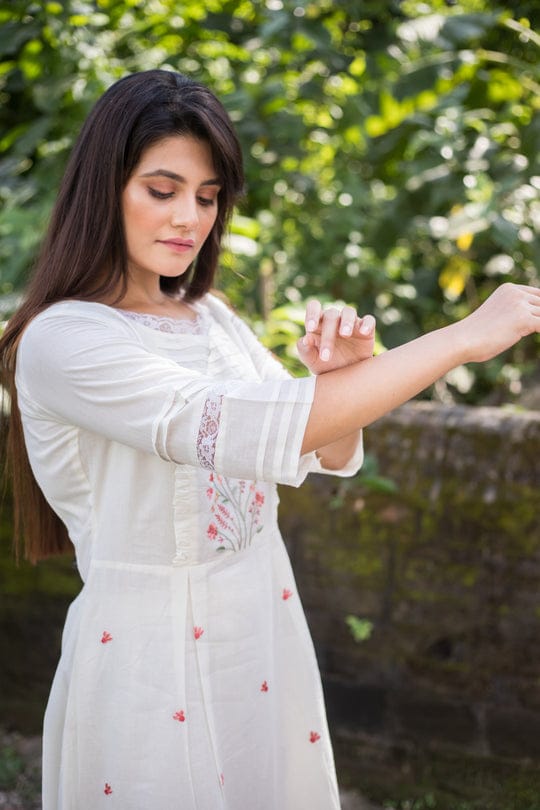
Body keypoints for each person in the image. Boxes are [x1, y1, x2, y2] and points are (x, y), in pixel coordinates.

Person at [0, 69, 538, 810]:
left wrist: (346, 378)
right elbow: (230, 428)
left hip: (260, 621)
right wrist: (464, 338)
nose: (189, 216)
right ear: (104, 187)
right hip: (150, 654)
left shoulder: (211, 315)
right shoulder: (63, 341)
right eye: (163, 190)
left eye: (209, 195)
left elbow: (318, 449)